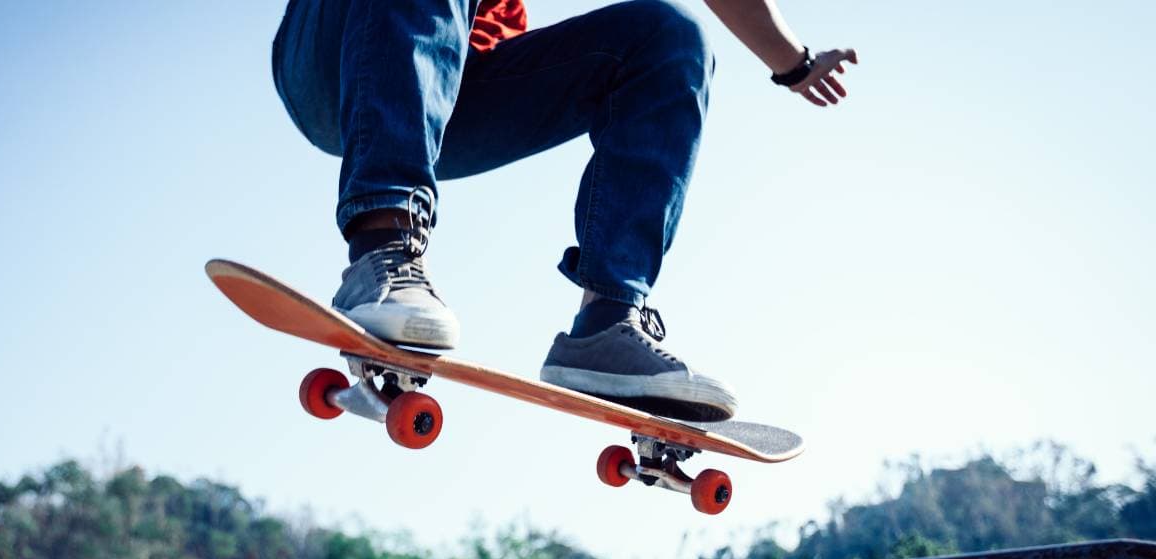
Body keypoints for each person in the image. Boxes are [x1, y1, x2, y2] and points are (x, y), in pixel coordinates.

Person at [272, 0, 856, 421]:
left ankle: (607, 325)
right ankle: (383, 254)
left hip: (452, 87)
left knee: (669, 37)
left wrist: (795, 64)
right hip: (335, 53)